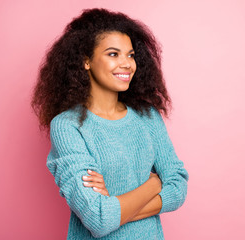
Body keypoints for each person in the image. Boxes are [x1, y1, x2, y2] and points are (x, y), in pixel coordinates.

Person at [31, 8, 188, 239]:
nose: (127, 64)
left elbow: (178, 187)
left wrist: (115, 210)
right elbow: (98, 218)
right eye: (113, 54)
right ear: (86, 61)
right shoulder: (67, 127)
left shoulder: (147, 117)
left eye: (131, 55)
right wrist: (153, 185)